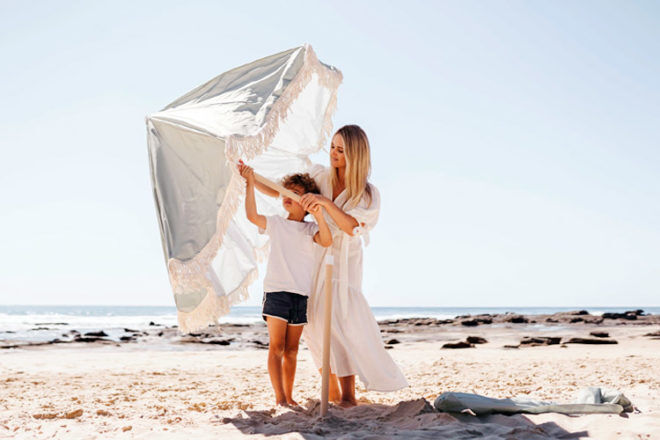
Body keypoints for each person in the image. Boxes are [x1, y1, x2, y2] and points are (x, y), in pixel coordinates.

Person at [255, 125, 408, 408]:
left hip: (345, 261)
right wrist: (250, 179)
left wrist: (325, 203)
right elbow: (280, 190)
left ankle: (348, 394)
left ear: (356, 154)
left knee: (343, 322)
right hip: (315, 255)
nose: (334, 154)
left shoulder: (367, 193)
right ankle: (333, 391)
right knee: (314, 323)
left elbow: (351, 226)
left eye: (341, 150)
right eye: (333, 147)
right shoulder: (319, 175)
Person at [239, 162, 332, 407]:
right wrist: (250, 183)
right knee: (277, 347)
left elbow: (327, 240)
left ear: (308, 202)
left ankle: (289, 396)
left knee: (292, 351)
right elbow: (251, 216)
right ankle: (280, 398)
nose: (288, 197)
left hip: (300, 295)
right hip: (277, 292)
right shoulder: (277, 224)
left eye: (296, 194)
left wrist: (320, 213)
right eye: (287, 193)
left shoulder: (311, 228)